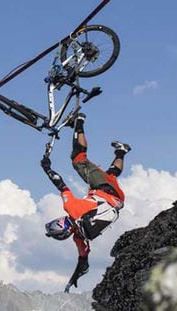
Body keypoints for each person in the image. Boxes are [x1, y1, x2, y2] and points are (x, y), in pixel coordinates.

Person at [40, 113, 131, 292]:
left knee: (111, 174)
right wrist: (47, 169)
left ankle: (122, 151)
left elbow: (83, 260)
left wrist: (74, 277)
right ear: (62, 226)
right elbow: (61, 185)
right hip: (105, 189)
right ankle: (79, 121)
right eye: (57, 223)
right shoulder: (71, 209)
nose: (59, 219)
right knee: (78, 159)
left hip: (118, 199)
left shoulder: (80, 237)